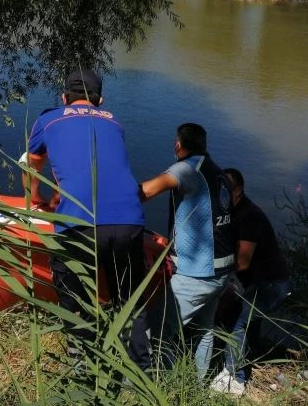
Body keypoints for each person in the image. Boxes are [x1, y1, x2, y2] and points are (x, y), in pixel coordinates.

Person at [24, 68, 150, 371]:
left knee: (74, 294)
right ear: (101, 99)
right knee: (130, 299)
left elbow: (33, 164)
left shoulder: (49, 118)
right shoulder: (115, 121)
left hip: (79, 220)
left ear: (64, 98)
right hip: (129, 220)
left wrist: (36, 198)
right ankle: (140, 372)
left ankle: (82, 368)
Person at [139, 123, 234, 380]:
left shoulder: (187, 168)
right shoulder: (218, 173)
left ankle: (148, 388)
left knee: (155, 330)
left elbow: (147, 191)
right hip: (222, 271)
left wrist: (114, 201)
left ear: (178, 145)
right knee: (203, 331)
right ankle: (197, 385)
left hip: (196, 274)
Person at [210, 168, 291, 395]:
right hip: (261, 282)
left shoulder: (248, 217)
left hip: (271, 285)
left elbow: (242, 263)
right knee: (248, 319)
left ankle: (234, 378)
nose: (221, 195)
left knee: (237, 320)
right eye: (218, 190)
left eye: (226, 190)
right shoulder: (234, 212)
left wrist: (212, 267)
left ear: (238, 191)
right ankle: (252, 352)